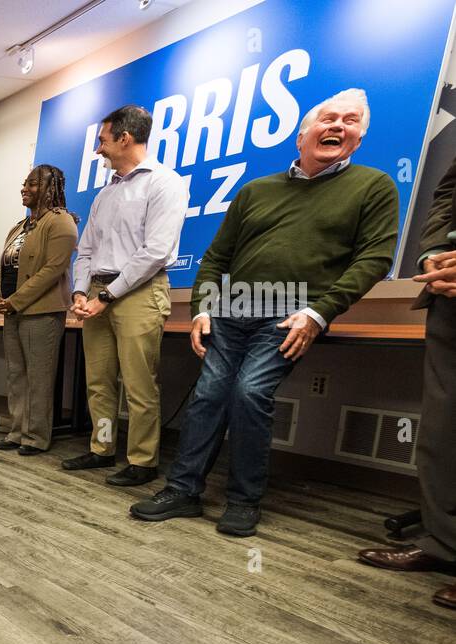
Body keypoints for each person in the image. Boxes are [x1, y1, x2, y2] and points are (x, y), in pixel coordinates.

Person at [130, 90, 399, 537]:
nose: (337, 126)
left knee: (250, 393)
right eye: (327, 118)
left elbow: (373, 259)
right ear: (302, 136)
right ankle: (182, 491)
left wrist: (319, 314)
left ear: (358, 138)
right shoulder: (256, 190)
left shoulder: (374, 186)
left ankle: (243, 500)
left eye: (350, 122)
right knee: (208, 396)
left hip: (293, 312)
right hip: (231, 309)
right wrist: (202, 310)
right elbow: (217, 258)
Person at [67, 104, 189, 486]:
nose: (99, 149)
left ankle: (142, 461)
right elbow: (85, 250)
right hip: (98, 293)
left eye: (103, 141)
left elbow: (155, 251)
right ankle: (102, 449)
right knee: (99, 382)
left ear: (125, 137)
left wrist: (108, 297)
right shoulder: (106, 194)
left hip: (138, 292)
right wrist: (80, 291)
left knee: (139, 384)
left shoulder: (164, 183)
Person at [357, 147, 456, 609]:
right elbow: (447, 193)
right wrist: (433, 254)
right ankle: (444, 546)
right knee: (442, 432)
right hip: (447, 297)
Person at [0, 164, 79, 456]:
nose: (24, 189)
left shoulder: (61, 222)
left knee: (39, 377)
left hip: (41, 311)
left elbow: (52, 270)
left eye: (33, 184)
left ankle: (35, 437)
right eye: (24, 183)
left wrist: (15, 300)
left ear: (50, 188)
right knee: (16, 374)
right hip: (12, 310)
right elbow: (3, 266)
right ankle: (17, 431)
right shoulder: (20, 226)